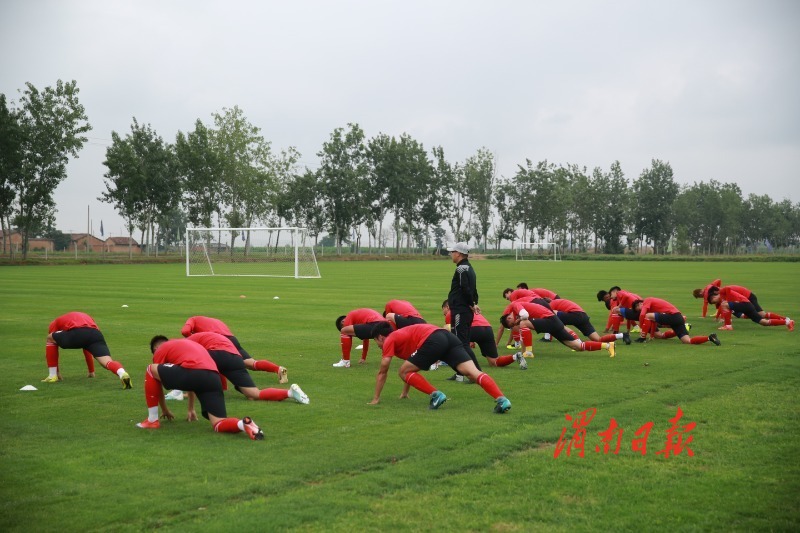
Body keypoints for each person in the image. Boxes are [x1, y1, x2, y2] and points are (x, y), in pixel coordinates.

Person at [136, 336, 265, 440]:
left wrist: (164, 409)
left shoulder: (162, 350)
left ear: (157, 348)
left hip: (196, 371)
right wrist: (191, 408)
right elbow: (192, 379)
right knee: (218, 423)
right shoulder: (186, 345)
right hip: (213, 377)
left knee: (150, 369)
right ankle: (243, 424)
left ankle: (152, 420)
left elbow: (157, 380)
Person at [368, 322, 512, 413]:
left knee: (402, 371)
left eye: (376, 342)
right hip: (447, 337)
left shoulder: (390, 339)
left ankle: (436, 395)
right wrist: (405, 393)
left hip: (433, 339)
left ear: (381, 337)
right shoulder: (402, 336)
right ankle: (502, 399)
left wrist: (376, 398)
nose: (379, 346)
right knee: (472, 373)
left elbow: (383, 371)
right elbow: (410, 367)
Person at [187, 332, 309, 404]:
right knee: (253, 394)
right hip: (235, 357)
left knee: (197, 366)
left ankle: (178, 393)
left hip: (220, 354)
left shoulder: (187, 343)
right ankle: (290, 393)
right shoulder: (205, 335)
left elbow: (193, 364)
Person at [181, 316, 288, 383]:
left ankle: (219, 387)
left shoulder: (193, 319)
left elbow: (185, 331)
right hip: (231, 339)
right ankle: (278, 369)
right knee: (250, 363)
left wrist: (193, 339)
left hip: (219, 342)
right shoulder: (215, 320)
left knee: (211, 362)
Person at [42, 311, 132, 388]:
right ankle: (122, 373)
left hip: (77, 332)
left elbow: (53, 344)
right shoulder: (85, 317)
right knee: (107, 362)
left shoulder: (54, 323)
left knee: (50, 338)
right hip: (95, 334)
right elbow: (86, 345)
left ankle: (52, 375)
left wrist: (57, 372)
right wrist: (91, 371)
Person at [501, 300, 616, 357]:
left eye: (510, 320)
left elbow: (525, 315)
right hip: (552, 323)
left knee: (523, 323)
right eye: (511, 325)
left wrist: (518, 320)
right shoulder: (516, 315)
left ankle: (529, 352)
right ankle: (607, 345)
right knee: (577, 346)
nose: (513, 323)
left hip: (551, 320)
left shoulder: (515, 305)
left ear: (509, 315)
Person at [442, 300, 527, 370]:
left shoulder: (452, 312)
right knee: (494, 362)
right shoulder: (468, 307)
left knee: (446, 330)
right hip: (487, 329)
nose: (444, 314)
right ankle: (515, 356)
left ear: (447, 307)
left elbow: (456, 331)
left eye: (444, 311)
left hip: (473, 328)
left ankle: (445, 360)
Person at [446, 241, 482, 379]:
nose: (451, 254)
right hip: (465, 309)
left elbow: (465, 289)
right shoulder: (470, 268)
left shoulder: (461, 269)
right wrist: (474, 303)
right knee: (462, 342)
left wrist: (471, 303)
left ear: (459, 254)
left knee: (461, 343)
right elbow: (474, 289)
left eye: (453, 252)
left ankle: (477, 373)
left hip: (461, 310)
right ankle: (461, 373)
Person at [631, 298, 721, 345]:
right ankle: (710, 338)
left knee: (647, 315)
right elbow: (652, 321)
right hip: (678, 318)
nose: (639, 310)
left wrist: (642, 330)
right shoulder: (651, 309)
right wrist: (651, 336)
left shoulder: (647, 300)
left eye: (637, 308)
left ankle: (642, 339)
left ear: (640, 304)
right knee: (687, 341)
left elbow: (643, 315)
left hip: (673, 316)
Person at [545, 297, 631, 345]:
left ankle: (577, 342)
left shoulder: (551, 305)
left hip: (576, 315)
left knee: (553, 316)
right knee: (598, 339)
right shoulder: (558, 302)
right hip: (583, 316)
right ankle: (622, 335)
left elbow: (550, 317)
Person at [705, 287, 793, 331]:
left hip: (745, 303)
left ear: (713, 297)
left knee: (725, 305)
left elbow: (728, 289)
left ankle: (728, 326)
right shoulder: (723, 300)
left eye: (714, 301)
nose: (716, 303)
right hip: (746, 305)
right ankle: (787, 322)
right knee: (764, 322)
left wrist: (726, 301)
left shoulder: (722, 292)